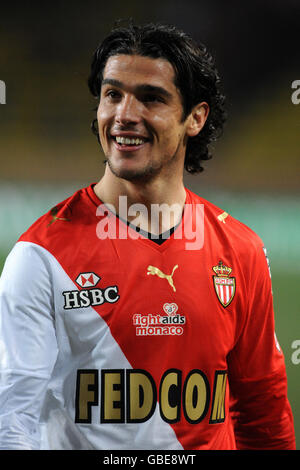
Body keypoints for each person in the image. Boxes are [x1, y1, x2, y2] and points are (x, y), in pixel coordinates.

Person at [0, 21, 296, 451]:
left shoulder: (241, 250)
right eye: (112, 94)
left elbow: (262, 409)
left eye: (151, 98)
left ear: (195, 117)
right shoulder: (40, 256)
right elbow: (12, 422)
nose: (124, 115)